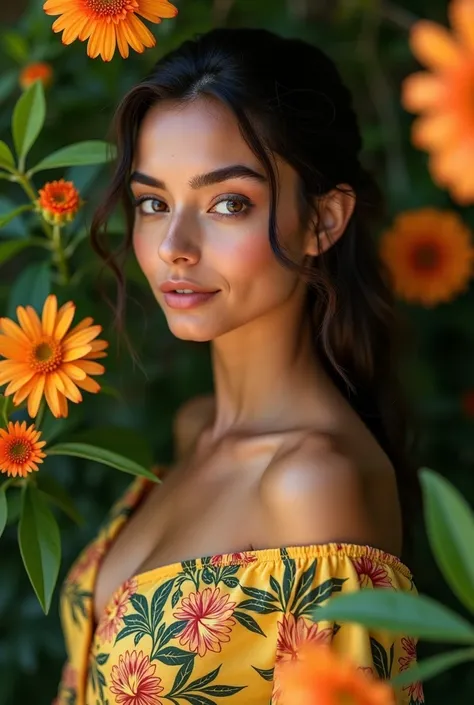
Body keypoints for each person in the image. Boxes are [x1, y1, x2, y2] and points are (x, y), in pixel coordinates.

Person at [54, 27, 423, 705]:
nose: (173, 246)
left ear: (324, 220)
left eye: (229, 203)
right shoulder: (195, 432)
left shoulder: (312, 487)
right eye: (152, 201)